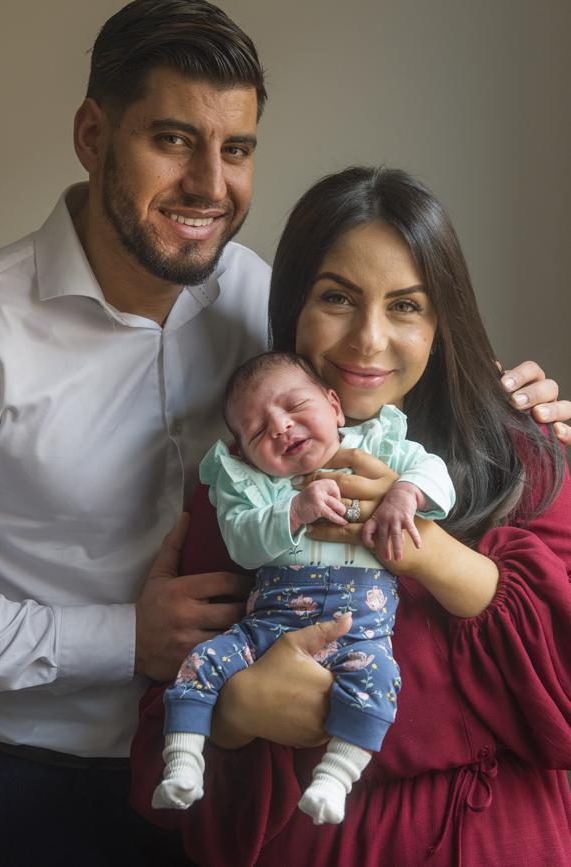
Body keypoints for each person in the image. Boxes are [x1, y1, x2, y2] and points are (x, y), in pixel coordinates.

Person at [0, 1, 566, 863]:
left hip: (232, 783)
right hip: (54, 776)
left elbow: (386, 350)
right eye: (173, 140)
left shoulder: (258, 300)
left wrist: (508, 399)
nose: (209, 185)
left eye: (237, 150)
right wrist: (130, 640)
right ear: (91, 134)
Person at [131, 166, 571, 867]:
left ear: (441, 321)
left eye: (406, 306)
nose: (368, 340)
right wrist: (239, 712)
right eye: (337, 297)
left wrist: (425, 547)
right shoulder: (247, 486)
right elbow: (166, 744)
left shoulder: (522, 456)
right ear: (295, 305)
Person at [153, 350, 455, 824]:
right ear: (245, 452)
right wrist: (293, 510)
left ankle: (335, 779)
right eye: (257, 432)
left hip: (360, 631)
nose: (280, 427)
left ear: (335, 406)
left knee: (380, 681)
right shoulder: (251, 484)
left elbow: (435, 472)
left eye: (294, 407)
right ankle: (183, 763)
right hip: (266, 631)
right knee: (201, 662)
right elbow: (242, 543)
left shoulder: (381, 445)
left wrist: (404, 493)